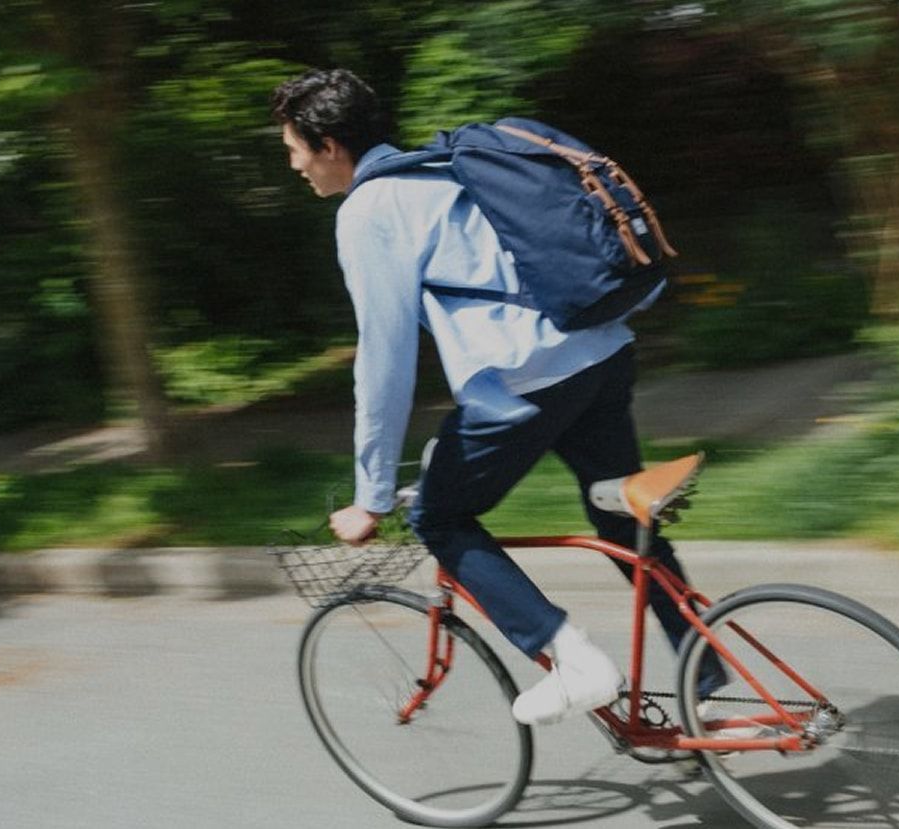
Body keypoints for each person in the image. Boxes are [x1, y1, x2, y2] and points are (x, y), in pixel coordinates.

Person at [269, 68, 721, 726]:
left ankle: (574, 661)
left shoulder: (368, 211)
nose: (294, 165)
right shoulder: (446, 167)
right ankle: (704, 667)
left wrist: (370, 496)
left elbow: (384, 358)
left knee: (439, 516)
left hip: (530, 380)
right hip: (602, 352)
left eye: (294, 150)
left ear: (330, 145)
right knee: (621, 513)